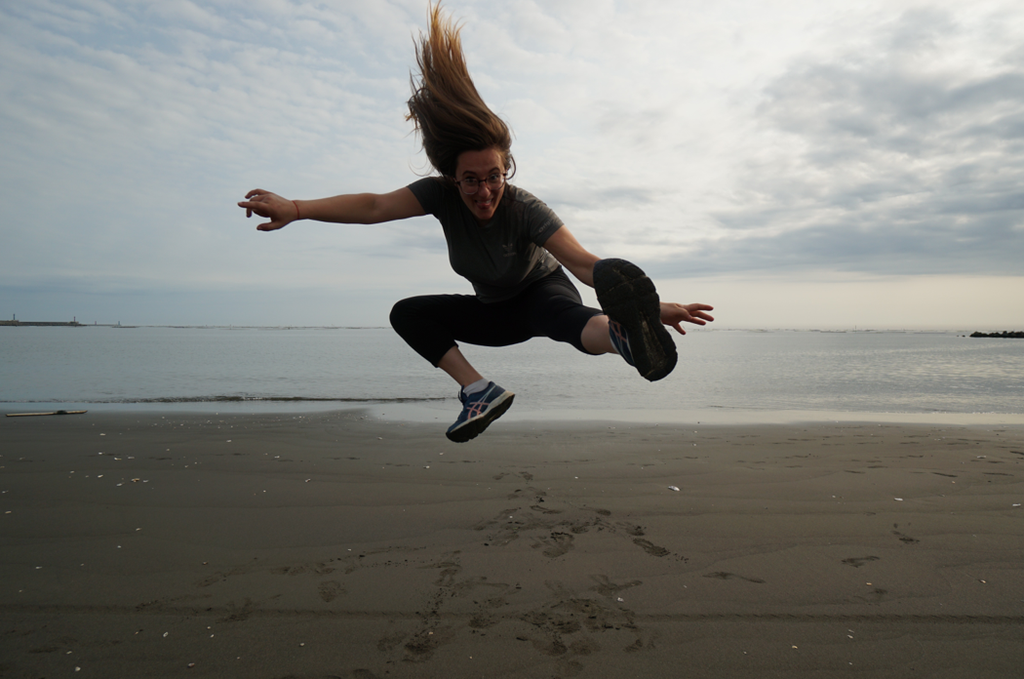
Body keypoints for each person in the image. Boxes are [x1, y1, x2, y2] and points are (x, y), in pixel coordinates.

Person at [239, 4, 714, 443]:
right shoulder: (439, 196)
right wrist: (296, 208)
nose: (485, 191)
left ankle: (623, 338)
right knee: (407, 312)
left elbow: (585, 265)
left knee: (564, 319)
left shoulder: (524, 207)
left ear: (505, 169)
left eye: (494, 177)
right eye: (470, 181)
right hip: (495, 312)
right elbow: (374, 207)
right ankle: (478, 391)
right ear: (451, 177)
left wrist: (648, 309)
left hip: (541, 292)